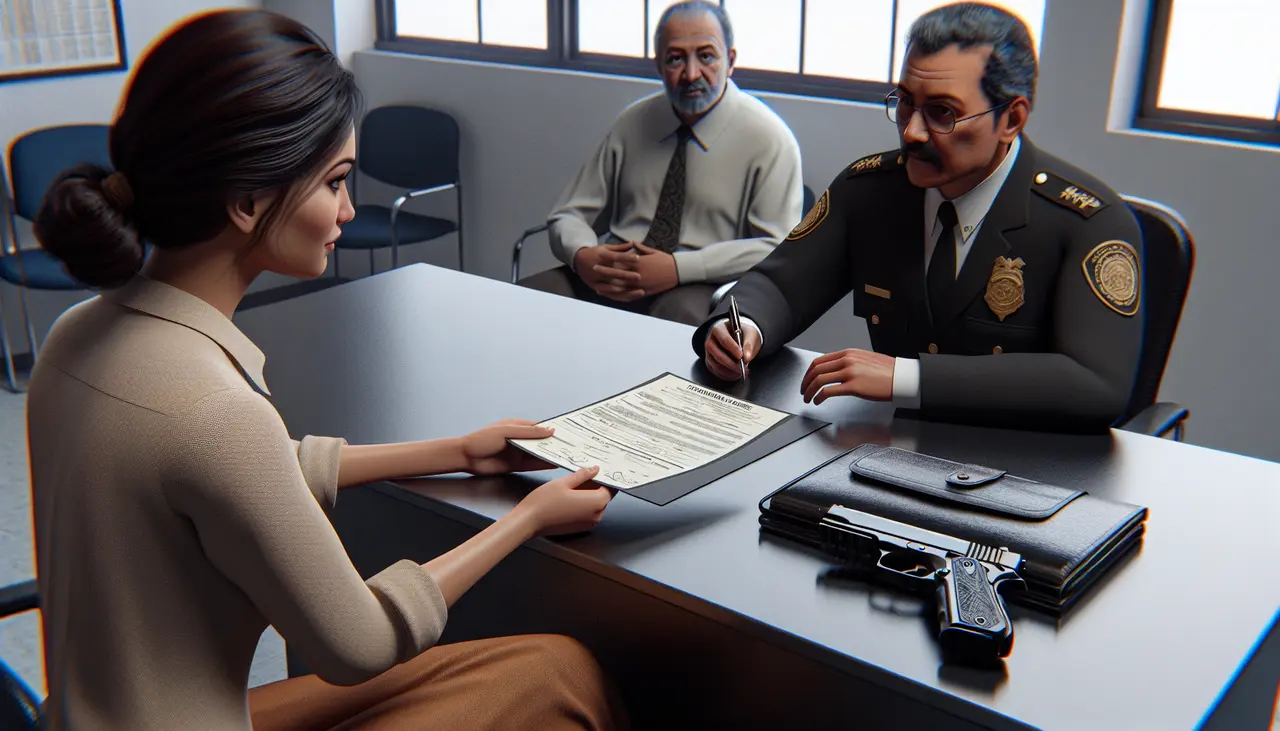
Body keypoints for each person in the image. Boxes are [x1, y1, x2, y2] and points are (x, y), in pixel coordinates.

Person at [28, 10, 625, 731]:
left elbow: (247, 473)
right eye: (336, 181)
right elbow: (361, 642)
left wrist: (455, 451)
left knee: (537, 666)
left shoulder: (74, 336)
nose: (348, 209)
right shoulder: (213, 410)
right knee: (563, 675)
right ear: (247, 202)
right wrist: (529, 517)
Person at [694, 3, 1144, 432]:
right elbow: (782, 283)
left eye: (942, 112)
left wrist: (906, 379)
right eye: (906, 102)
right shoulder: (869, 189)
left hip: (1028, 471)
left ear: (1011, 119)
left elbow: (1096, 385)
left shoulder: (1088, 222)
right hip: (888, 453)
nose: (911, 131)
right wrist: (742, 327)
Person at [519, 0, 803, 326]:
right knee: (525, 303)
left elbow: (777, 247)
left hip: (700, 283)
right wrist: (582, 255)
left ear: (731, 60)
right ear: (658, 65)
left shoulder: (770, 140)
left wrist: (679, 268)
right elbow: (569, 213)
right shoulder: (633, 122)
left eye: (706, 56)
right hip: (615, 272)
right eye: (675, 59)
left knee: (676, 324)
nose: (691, 73)